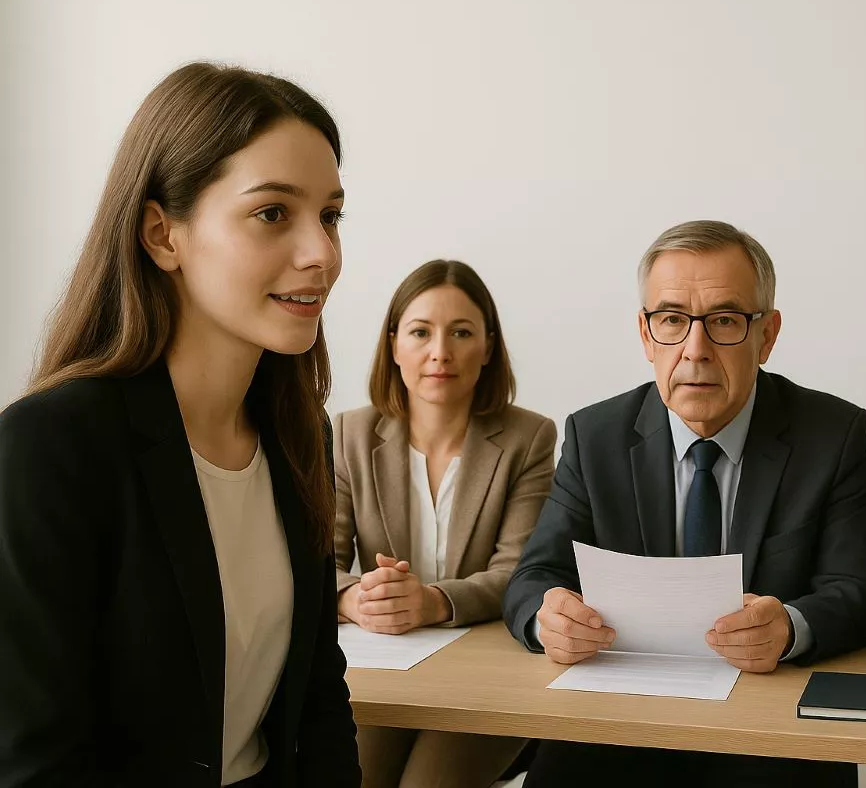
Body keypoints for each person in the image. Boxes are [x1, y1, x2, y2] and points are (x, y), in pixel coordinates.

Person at [0, 62, 360, 787]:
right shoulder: (50, 447)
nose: (322, 253)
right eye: (273, 213)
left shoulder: (301, 437)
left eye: (330, 215)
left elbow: (318, 701)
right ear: (163, 235)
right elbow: (36, 760)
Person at [503, 220, 866, 787]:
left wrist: (790, 627)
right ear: (645, 334)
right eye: (672, 320)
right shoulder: (595, 436)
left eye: (725, 321)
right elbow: (535, 575)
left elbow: (858, 591)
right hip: (619, 725)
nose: (695, 350)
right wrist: (546, 619)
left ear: (767, 335)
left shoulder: (833, 434)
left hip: (769, 731)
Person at [335, 259, 555, 788]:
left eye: (461, 332)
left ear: (488, 346)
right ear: (394, 345)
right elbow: (315, 563)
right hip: (385, 669)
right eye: (420, 332)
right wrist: (354, 599)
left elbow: (519, 572)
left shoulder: (528, 438)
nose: (440, 352)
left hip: (487, 673)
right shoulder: (348, 434)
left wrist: (434, 603)